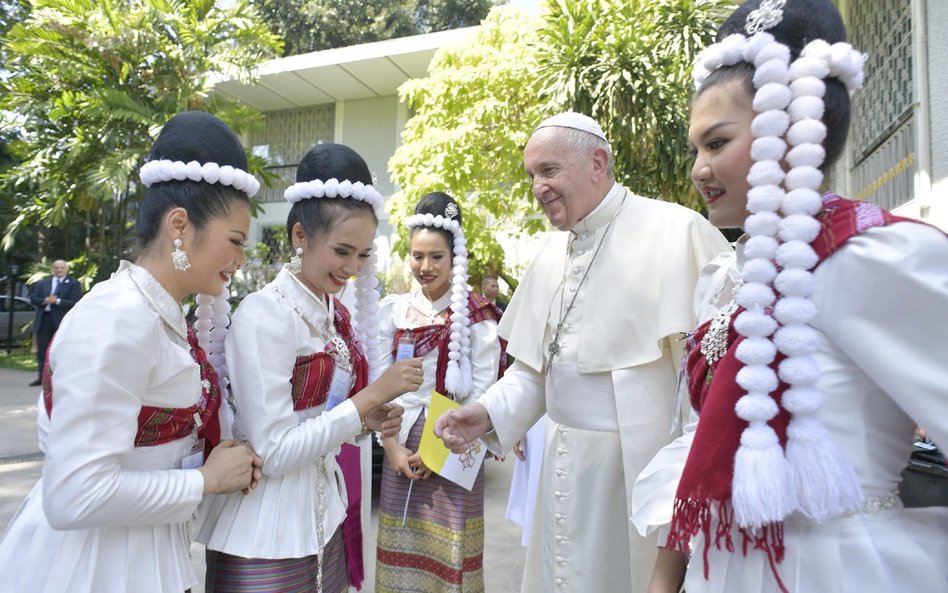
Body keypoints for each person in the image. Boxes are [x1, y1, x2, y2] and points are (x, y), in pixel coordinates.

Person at [631, 1, 948, 592]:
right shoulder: (729, 276)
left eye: (717, 142)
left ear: (788, 128)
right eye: (695, 148)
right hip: (724, 570)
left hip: (835, 570)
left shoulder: (868, 257)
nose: (699, 168)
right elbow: (704, 447)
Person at [434, 111, 731, 592]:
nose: (537, 187)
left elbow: (704, 395)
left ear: (597, 162)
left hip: (634, 476)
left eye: (548, 171)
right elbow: (534, 373)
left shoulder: (677, 233)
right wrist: (485, 413)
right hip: (562, 471)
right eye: (532, 175)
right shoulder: (550, 255)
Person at [0, 111, 263, 592]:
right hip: (96, 566)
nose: (241, 261)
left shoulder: (157, 315)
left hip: (148, 552)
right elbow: (73, 495)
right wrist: (205, 480)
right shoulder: (117, 318)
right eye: (235, 242)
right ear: (179, 225)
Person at [196, 143, 422, 593]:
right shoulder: (264, 315)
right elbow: (274, 451)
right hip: (264, 528)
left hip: (323, 515)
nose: (352, 269)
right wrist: (369, 399)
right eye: (342, 251)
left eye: (362, 255)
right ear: (300, 236)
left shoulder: (330, 313)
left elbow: (320, 420)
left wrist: (363, 421)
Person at [373, 192, 504, 593]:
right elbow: (380, 386)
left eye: (436, 257)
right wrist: (391, 446)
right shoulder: (392, 311)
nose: (424, 267)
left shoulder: (478, 319)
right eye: (417, 256)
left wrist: (437, 452)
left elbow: (484, 393)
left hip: (454, 444)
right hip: (400, 444)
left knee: (451, 552)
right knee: (401, 548)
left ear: (455, 258)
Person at [28, 258, 83, 386]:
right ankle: (42, 378)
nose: (59, 270)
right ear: (52, 269)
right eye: (56, 268)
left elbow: (76, 302)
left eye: (61, 267)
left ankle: (60, 379)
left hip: (61, 321)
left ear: (67, 269)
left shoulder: (73, 283)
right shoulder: (43, 283)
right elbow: (33, 298)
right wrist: (45, 300)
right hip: (44, 320)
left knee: (61, 350)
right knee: (42, 350)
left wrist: (57, 301)